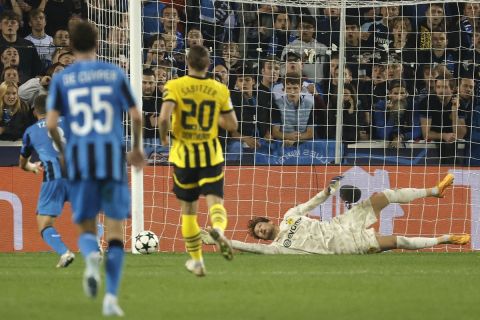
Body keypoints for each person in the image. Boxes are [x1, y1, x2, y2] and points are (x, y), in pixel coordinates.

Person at [46, 21, 144, 317]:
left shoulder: (63, 79)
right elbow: (137, 116)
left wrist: (63, 152)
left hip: (79, 158)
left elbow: (51, 124)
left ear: (71, 45)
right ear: (97, 43)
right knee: (116, 232)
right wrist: (137, 148)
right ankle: (111, 299)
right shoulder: (114, 73)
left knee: (86, 225)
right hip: (111, 156)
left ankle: (90, 259)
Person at [202, 175, 470, 254]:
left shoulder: (290, 216)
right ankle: (445, 239)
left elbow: (311, 203)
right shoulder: (278, 248)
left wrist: (328, 191)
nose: (260, 231)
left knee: (383, 196)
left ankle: (434, 190)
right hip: (345, 245)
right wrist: (218, 240)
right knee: (398, 241)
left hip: (342, 223)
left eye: (260, 226)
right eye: (258, 233)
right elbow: (247, 247)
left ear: (268, 220)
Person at [158, 45, 238, 277]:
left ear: (187, 63)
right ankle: (219, 230)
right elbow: (232, 125)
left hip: (184, 156)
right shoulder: (219, 89)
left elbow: (163, 118)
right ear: (208, 64)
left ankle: (197, 261)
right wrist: (215, 117)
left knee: (189, 212)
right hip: (210, 154)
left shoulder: (175, 85)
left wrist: (164, 138)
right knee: (215, 202)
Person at [19, 94, 74, 268]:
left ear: (35, 111)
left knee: (44, 223)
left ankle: (65, 252)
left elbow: (23, 164)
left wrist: (32, 167)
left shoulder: (31, 131)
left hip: (53, 177)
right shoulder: (70, 121)